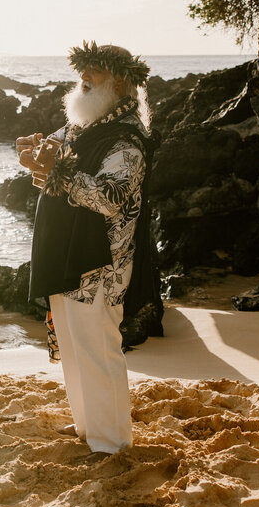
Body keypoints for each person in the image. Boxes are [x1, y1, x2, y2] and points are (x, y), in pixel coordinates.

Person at [18, 41, 162, 454]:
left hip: (102, 264)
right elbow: (51, 150)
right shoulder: (84, 126)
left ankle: (112, 442)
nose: (85, 80)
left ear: (119, 83)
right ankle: (86, 427)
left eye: (95, 73)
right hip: (68, 254)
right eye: (84, 72)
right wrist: (32, 152)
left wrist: (56, 174)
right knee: (75, 349)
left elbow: (110, 197)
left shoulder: (128, 140)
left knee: (99, 351)